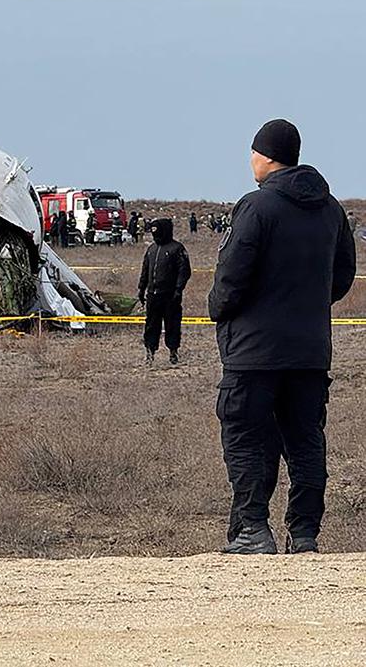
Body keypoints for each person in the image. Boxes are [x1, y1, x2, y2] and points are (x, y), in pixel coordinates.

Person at [208, 118, 356, 555]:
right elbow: (343, 275)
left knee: (247, 438)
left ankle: (253, 530)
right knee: (306, 441)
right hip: (310, 352)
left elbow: (232, 275)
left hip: (254, 353)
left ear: (266, 156)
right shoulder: (330, 209)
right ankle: (305, 534)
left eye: (253, 151)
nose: (250, 159)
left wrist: (220, 308)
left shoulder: (257, 207)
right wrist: (307, 306)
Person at [137, 218, 191, 366]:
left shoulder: (177, 249)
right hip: (153, 295)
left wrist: (178, 290)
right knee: (151, 325)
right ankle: (149, 352)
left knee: (172, 324)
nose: (155, 234)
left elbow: (184, 271)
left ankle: (173, 352)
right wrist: (141, 289)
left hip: (170, 296)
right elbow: (145, 270)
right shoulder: (151, 249)